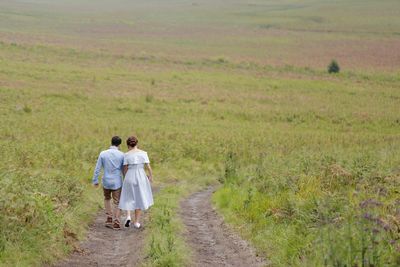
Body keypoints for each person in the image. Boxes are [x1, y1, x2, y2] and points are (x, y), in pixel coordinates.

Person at [119, 136, 154, 229]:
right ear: (136, 144)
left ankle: (128, 216)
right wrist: (150, 177)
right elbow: (149, 167)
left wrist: (125, 178)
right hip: (141, 176)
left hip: (130, 175)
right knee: (139, 197)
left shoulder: (126, 155)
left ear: (128, 145)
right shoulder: (143, 153)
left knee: (128, 197)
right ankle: (137, 222)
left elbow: (125, 168)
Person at [92, 136, 124, 230]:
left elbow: (98, 168)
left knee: (107, 198)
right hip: (117, 182)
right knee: (117, 202)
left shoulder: (103, 153)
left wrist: (95, 180)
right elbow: (123, 169)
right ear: (119, 144)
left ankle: (109, 217)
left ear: (111, 142)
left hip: (106, 180)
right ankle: (116, 221)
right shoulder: (122, 155)